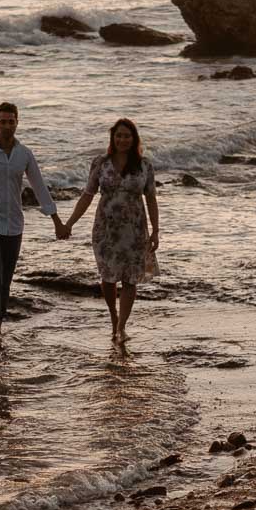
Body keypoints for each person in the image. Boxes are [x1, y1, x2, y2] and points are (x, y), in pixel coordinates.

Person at [0, 101, 66, 342]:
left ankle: (0, 322)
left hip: (14, 225)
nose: (7, 125)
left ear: (17, 123)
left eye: (11, 121)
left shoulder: (24, 154)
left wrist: (56, 221)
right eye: (3, 121)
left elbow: (39, 187)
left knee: (6, 279)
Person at [60, 118, 159, 344]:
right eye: (119, 136)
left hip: (134, 230)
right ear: (112, 138)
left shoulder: (144, 165)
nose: (122, 139)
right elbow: (87, 195)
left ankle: (122, 326)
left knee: (130, 279)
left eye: (127, 136)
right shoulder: (100, 163)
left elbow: (151, 199)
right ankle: (113, 316)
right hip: (105, 230)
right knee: (108, 277)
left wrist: (155, 231)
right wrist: (69, 223)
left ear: (134, 139)